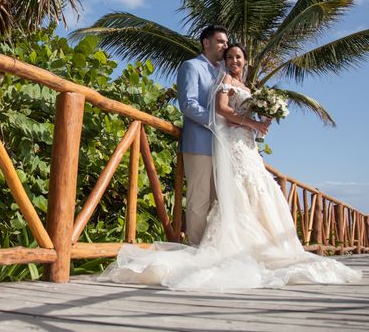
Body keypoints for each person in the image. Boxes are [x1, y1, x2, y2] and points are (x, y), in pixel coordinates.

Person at [100, 43, 362, 290]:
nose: (234, 60)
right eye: (230, 56)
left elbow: (246, 118)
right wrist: (252, 124)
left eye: (238, 56)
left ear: (245, 60)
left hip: (248, 145)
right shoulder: (224, 82)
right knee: (238, 190)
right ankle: (236, 246)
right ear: (225, 61)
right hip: (234, 144)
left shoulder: (245, 85)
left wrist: (264, 120)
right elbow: (222, 110)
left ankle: (270, 242)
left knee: (260, 190)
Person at [176, 25, 238, 245]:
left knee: (217, 200)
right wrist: (217, 122)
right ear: (206, 42)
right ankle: (195, 247)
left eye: (226, 42)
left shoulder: (224, 73)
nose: (225, 46)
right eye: (221, 41)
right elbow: (188, 104)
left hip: (222, 146)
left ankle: (211, 247)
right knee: (199, 198)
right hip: (199, 143)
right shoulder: (191, 66)